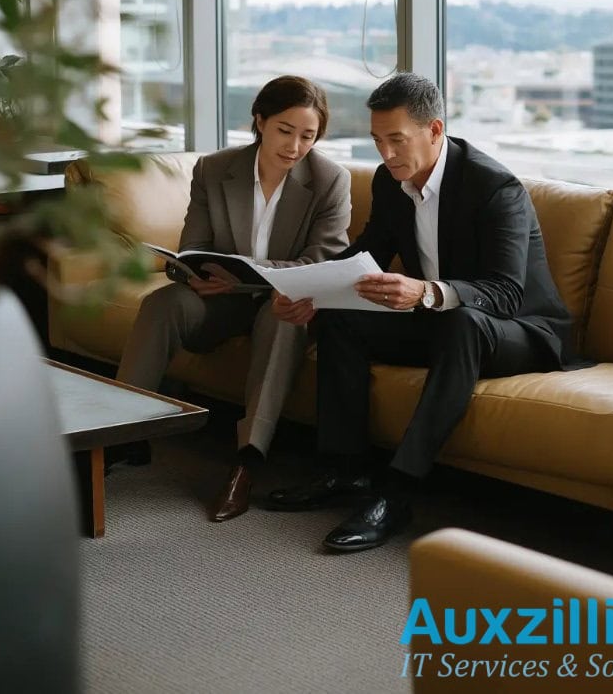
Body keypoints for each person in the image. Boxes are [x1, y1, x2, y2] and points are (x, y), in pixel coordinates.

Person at [268, 72, 577, 552]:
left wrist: (427, 292)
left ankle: (397, 492)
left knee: (463, 321)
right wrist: (311, 293)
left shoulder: (495, 188)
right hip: (442, 323)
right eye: (377, 141)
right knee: (341, 317)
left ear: (434, 131)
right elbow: (364, 255)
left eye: (397, 140)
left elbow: (506, 293)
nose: (386, 154)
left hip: (521, 331)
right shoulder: (392, 183)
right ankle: (344, 470)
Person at [115, 75, 351, 522]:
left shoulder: (329, 180)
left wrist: (250, 275)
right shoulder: (214, 169)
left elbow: (321, 263)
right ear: (259, 121)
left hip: (282, 301)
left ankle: (247, 460)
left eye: (308, 135)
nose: (295, 146)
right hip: (220, 300)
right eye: (285, 130)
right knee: (161, 304)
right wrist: (193, 276)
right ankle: (123, 433)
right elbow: (192, 247)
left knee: (284, 318)